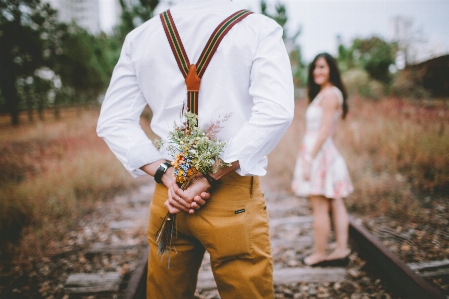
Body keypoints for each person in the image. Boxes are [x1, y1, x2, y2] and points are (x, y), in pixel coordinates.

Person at [97, 0, 294, 298]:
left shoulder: (141, 37)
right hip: (231, 194)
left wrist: (166, 172)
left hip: (170, 198)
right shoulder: (257, 28)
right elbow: (276, 112)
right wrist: (207, 176)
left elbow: (113, 120)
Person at [291, 53, 353, 267]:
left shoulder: (329, 95)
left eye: (322, 67)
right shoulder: (328, 93)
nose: (317, 72)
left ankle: (319, 254)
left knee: (320, 206)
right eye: (315, 68)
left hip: (318, 155)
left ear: (331, 69)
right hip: (323, 152)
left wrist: (309, 158)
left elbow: (325, 129)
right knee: (335, 202)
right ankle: (340, 250)